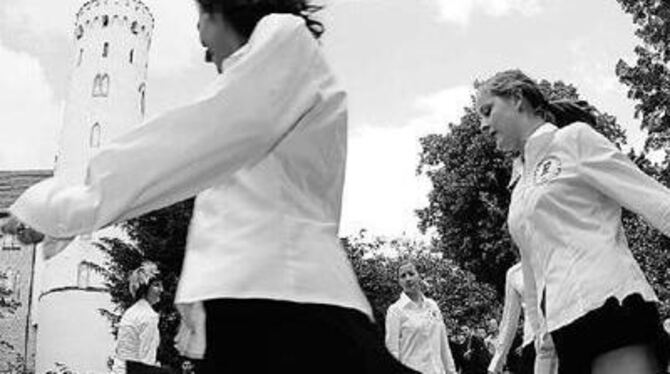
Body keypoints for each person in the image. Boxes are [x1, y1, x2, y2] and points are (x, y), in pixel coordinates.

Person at [4, 1, 416, 373]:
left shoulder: (284, 37)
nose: (201, 43)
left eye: (199, 18)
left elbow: (196, 136)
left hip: (285, 302)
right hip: (263, 304)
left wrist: (67, 206)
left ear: (222, 10)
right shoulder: (272, 87)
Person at [476, 69, 670, 374]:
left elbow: (655, 201)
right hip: (564, 329)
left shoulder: (573, 139)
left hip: (613, 306)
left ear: (516, 99)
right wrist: (541, 339)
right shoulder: (519, 188)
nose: (483, 125)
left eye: (487, 111)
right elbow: (532, 271)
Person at [385, 261, 457, 374]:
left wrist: (451, 371)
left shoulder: (433, 306)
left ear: (419, 276)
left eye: (411, 273)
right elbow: (392, 351)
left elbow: (443, 345)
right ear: (399, 282)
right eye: (403, 276)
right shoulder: (395, 311)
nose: (408, 279)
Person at [488, 262, 558, 374]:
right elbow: (509, 321)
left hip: (562, 336)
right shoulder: (515, 273)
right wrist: (496, 362)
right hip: (532, 342)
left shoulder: (556, 260)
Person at [111, 262, 166, 374]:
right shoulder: (149, 316)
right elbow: (147, 361)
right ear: (144, 288)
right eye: (156, 285)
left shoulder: (131, 312)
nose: (162, 290)